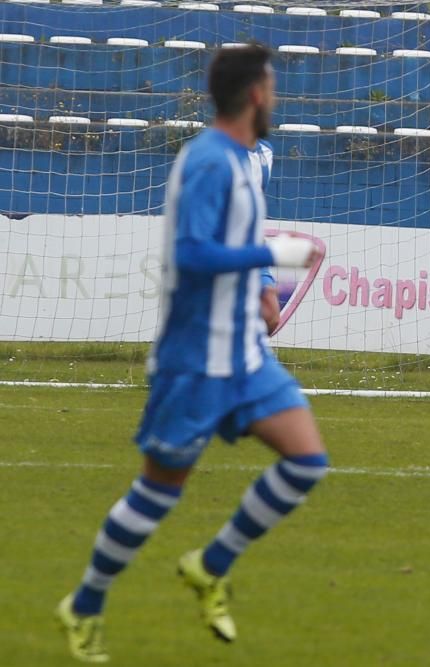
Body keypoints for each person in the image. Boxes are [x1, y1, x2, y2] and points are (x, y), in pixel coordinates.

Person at [56, 45, 327, 663]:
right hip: (194, 360)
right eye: (274, 88)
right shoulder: (207, 161)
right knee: (158, 494)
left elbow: (238, 239)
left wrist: (261, 290)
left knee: (306, 461)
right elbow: (192, 253)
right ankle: (86, 604)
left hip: (245, 353)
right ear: (256, 95)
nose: (276, 98)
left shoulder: (244, 161)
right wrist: (274, 260)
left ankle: (211, 565)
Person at [247, 138, 281, 335]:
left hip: (252, 246)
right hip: (220, 246)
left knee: (270, 316)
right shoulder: (213, 154)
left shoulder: (265, 151)